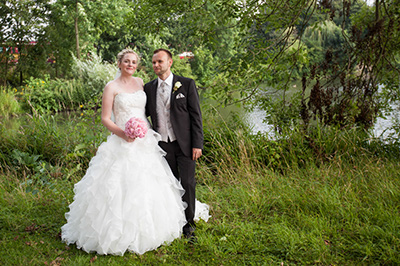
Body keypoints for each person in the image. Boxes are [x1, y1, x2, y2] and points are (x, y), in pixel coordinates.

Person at [61, 49, 191, 255]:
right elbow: (105, 118)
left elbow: (150, 110)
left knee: (150, 183)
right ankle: (115, 231)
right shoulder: (111, 87)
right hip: (122, 140)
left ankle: (155, 225)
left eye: (134, 62)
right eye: (127, 61)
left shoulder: (141, 83)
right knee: (118, 185)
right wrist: (123, 133)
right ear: (119, 63)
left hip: (145, 140)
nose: (130, 65)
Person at [144, 48, 204, 241]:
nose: (156, 65)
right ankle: (172, 222)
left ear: (170, 63)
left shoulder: (186, 84)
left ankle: (189, 225)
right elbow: (141, 113)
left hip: (185, 144)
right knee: (169, 185)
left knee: (187, 184)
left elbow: (196, 116)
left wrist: (198, 144)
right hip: (162, 145)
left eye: (160, 61)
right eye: (153, 62)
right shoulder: (148, 88)